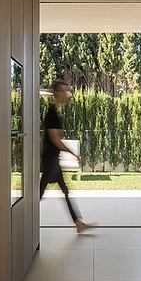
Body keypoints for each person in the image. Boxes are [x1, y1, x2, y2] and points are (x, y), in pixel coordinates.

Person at [39, 80, 95, 233]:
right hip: (50, 161)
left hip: (52, 160)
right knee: (39, 194)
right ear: (56, 93)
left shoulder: (54, 112)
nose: (66, 94)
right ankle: (19, 218)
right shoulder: (52, 114)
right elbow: (55, 139)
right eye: (63, 91)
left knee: (64, 191)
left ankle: (78, 223)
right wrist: (75, 154)